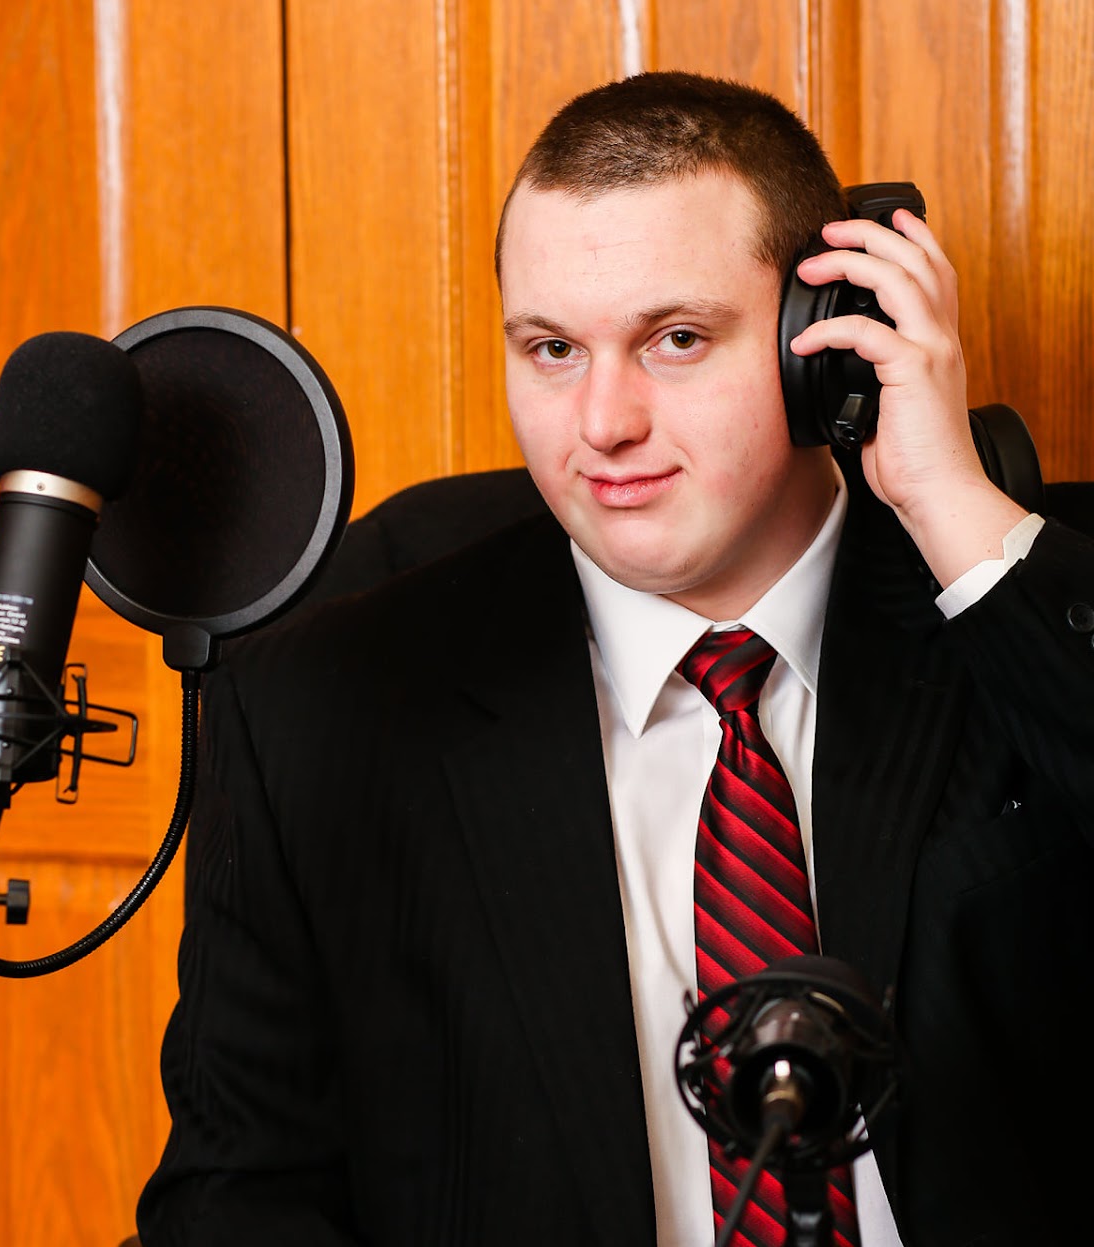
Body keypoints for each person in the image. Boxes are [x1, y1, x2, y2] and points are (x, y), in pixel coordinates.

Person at [136, 72, 1094, 1246]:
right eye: (550, 348)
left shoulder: (1005, 610)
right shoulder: (324, 705)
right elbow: (235, 1199)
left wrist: (946, 499)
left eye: (674, 339)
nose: (600, 424)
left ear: (821, 344)